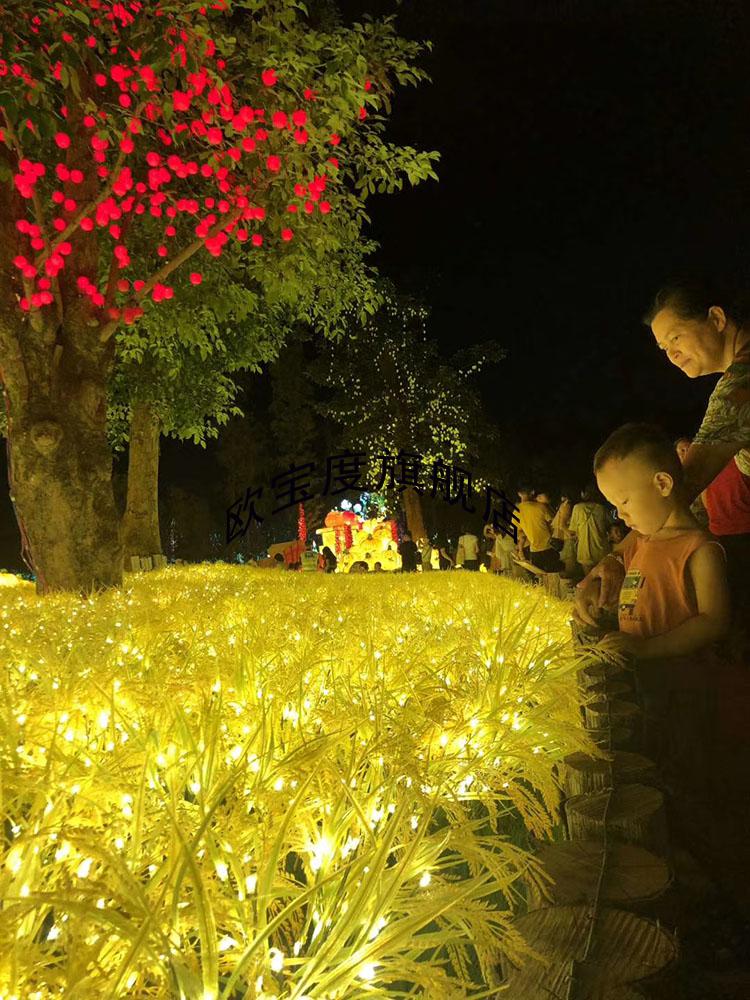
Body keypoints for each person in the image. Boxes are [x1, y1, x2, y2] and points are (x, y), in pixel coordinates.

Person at [575, 278, 750, 653]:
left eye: (676, 337)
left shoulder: (743, 384)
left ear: (716, 318)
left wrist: (614, 557)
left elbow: (683, 486)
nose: (670, 353)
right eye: (663, 346)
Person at [588, 423, 731, 857]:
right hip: (649, 684)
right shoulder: (643, 544)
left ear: (663, 483)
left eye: (625, 502)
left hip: (686, 689)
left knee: (688, 771)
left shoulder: (699, 548)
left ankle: (702, 858)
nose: (621, 517)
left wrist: (645, 647)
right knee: (658, 765)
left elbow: (713, 620)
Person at [516, 486, 562, 573]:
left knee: (542, 580)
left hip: (534, 551)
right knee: (557, 575)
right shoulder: (541, 507)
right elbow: (555, 524)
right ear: (532, 492)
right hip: (550, 547)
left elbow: (520, 535)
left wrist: (520, 551)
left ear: (519, 494)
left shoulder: (516, 512)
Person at [568, 484, 610, 576]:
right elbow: (607, 526)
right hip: (601, 550)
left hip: (585, 551)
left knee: (589, 580)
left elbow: (572, 530)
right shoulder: (601, 508)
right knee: (602, 579)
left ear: (585, 494)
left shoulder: (578, 508)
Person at [551, 490, 578, 576]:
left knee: (566, 566)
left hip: (562, 539)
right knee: (569, 567)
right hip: (566, 540)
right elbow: (562, 525)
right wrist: (572, 535)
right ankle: (566, 587)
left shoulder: (563, 505)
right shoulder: (567, 505)